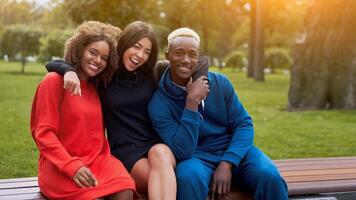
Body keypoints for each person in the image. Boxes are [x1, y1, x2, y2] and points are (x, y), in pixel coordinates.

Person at [45, 21, 209, 200]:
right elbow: (54, 63)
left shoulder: (155, 72)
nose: (140, 56)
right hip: (125, 151)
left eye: (147, 52)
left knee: (160, 155)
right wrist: (68, 71)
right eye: (136, 47)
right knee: (164, 182)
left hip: (156, 147)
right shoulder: (105, 74)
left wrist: (198, 84)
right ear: (123, 44)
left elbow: (200, 61)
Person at [148, 27, 289, 200]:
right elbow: (182, 151)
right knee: (187, 179)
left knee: (270, 176)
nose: (186, 60)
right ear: (167, 55)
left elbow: (244, 124)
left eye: (192, 54)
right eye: (179, 53)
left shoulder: (220, 83)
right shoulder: (159, 103)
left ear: (198, 57)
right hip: (196, 157)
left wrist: (227, 163)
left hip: (233, 150)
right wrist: (191, 102)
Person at [30, 21, 136, 200]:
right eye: (93, 53)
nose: (98, 61)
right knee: (91, 197)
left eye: (104, 58)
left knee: (125, 188)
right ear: (79, 50)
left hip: (97, 160)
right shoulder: (53, 82)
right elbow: (44, 133)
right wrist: (72, 166)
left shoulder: (96, 87)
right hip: (60, 165)